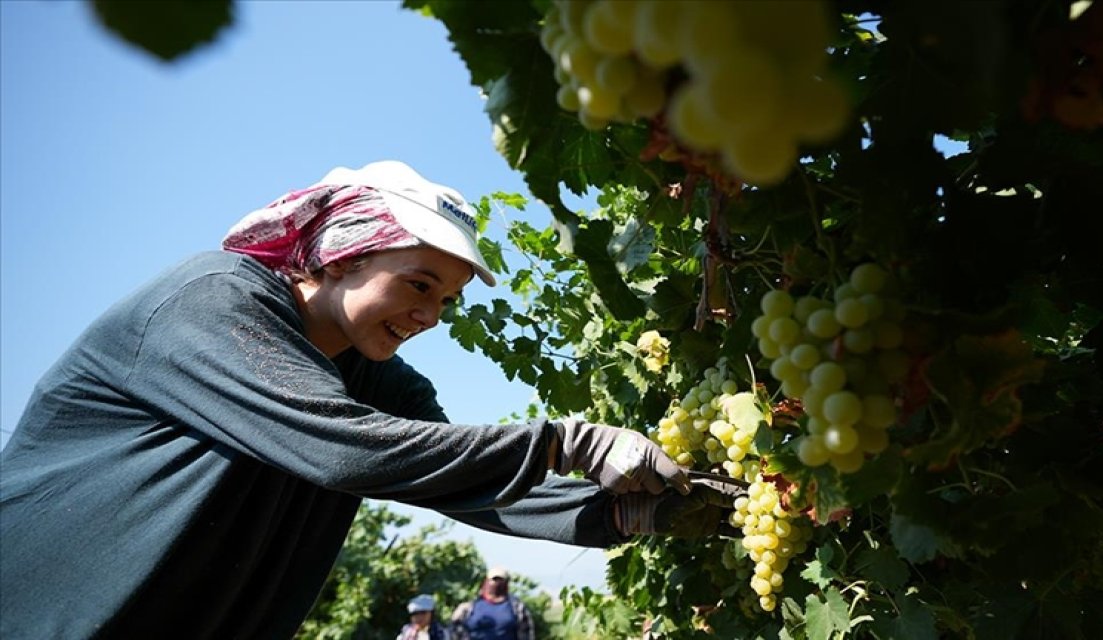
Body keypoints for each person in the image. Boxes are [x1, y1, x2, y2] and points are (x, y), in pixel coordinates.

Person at [0, 160, 733, 639]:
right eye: (418, 284)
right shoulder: (213, 303)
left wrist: (624, 513)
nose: (430, 316)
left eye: (444, 300)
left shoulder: (373, 373)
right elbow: (348, 448)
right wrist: (570, 441)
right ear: (342, 253)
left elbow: (459, 479)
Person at [450, 566, 533, 640]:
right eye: (494, 579)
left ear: (506, 583)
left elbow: (526, 634)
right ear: (487, 581)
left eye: (500, 580)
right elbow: (454, 631)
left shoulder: (517, 609)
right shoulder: (468, 608)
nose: (496, 583)